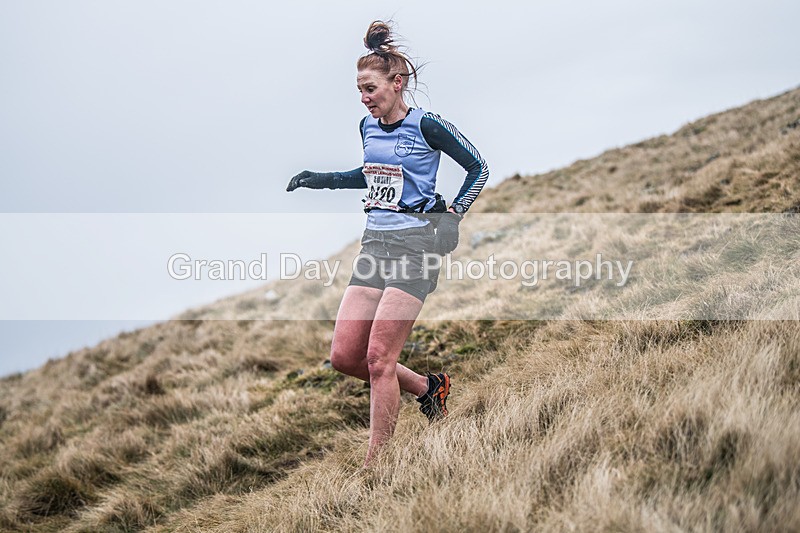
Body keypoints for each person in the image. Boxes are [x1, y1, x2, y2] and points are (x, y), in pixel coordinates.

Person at [286, 20, 488, 465]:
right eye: (359, 90)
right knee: (345, 356)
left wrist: (453, 215)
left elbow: (478, 168)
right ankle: (428, 387)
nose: (363, 97)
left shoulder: (427, 125)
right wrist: (323, 180)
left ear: (397, 84)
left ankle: (378, 464)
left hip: (417, 246)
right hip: (375, 244)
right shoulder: (367, 126)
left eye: (370, 88)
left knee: (379, 358)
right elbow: (370, 173)